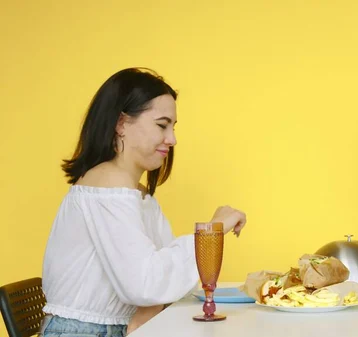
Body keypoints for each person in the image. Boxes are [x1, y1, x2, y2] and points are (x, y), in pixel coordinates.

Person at [40, 67, 247, 337]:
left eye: (172, 127)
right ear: (121, 124)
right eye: (162, 125)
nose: (172, 139)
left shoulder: (134, 193)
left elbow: (164, 281)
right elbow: (146, 284)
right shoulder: (108, 185)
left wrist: (146, 312)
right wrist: (213, 230)